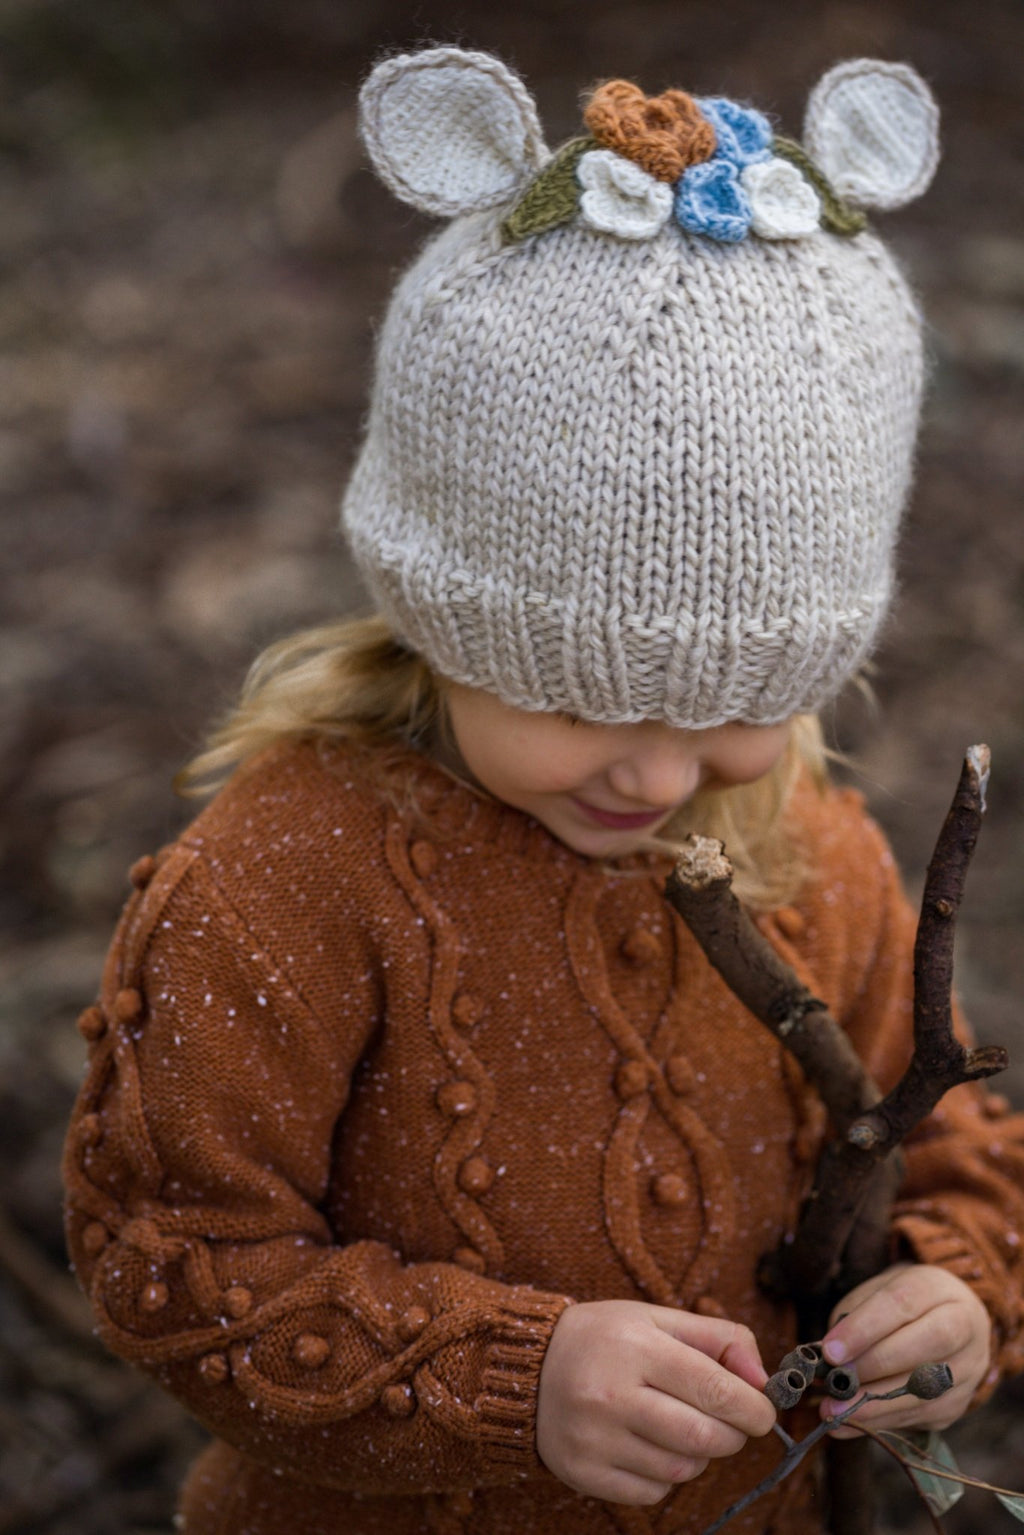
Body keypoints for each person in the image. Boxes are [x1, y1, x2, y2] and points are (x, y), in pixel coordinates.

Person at [62, 47, 1024, 1535]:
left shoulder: (817, 856)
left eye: (737, 705)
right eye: (578, 696)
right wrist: (514, 1374)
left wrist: (950, 1287)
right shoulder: (283, 880)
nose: (656, 768)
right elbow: (168, 1252)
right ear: (442, 618)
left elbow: (946, 1139)